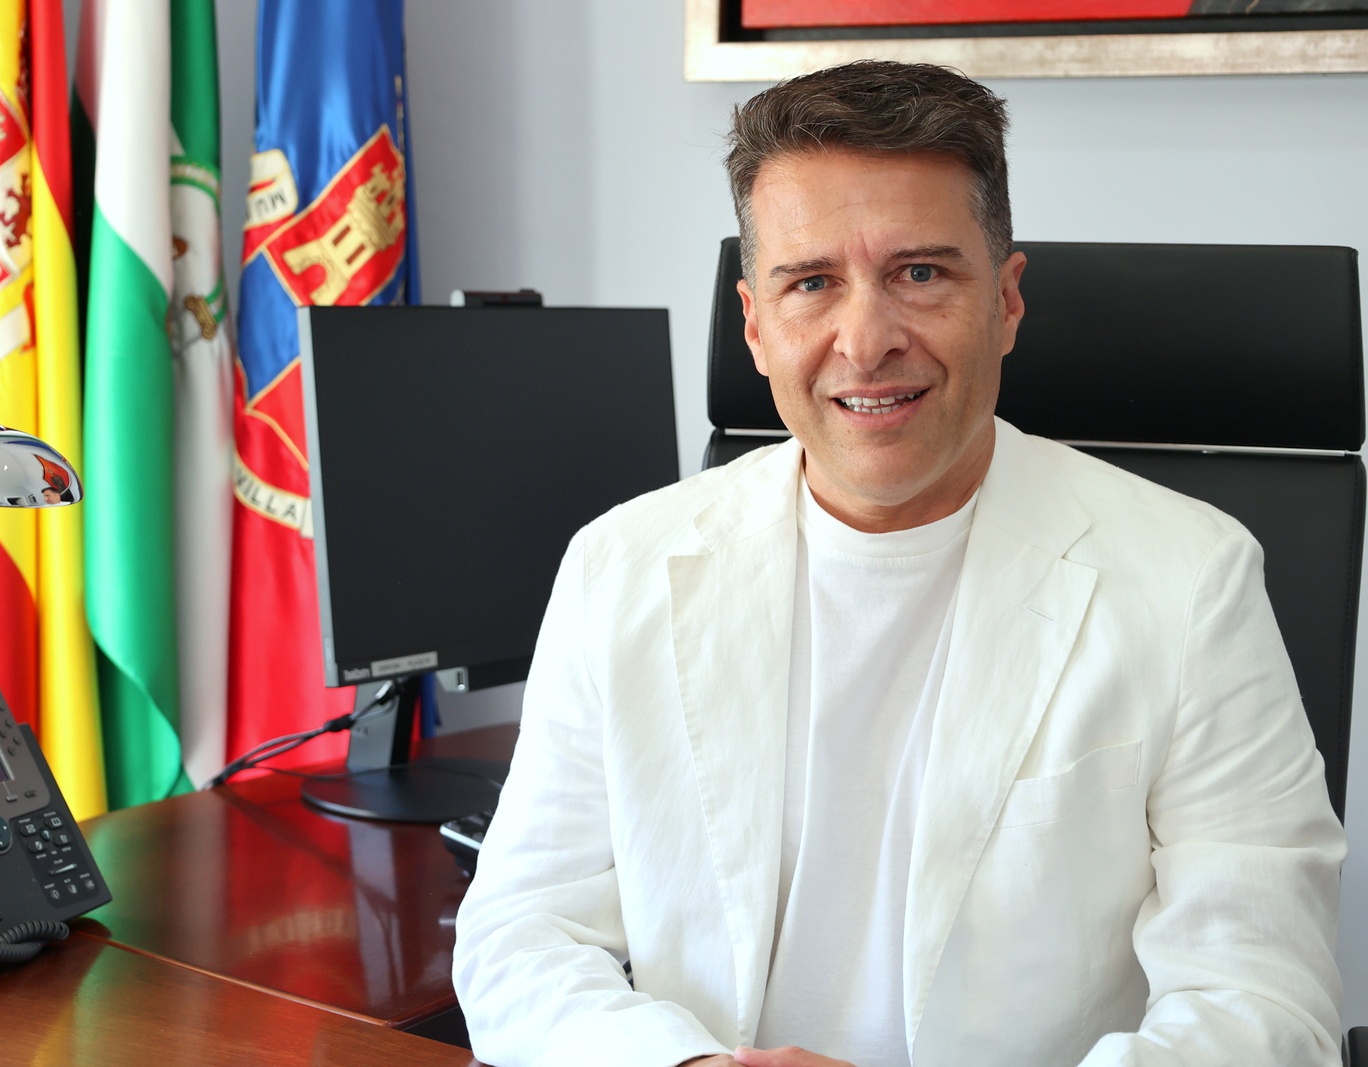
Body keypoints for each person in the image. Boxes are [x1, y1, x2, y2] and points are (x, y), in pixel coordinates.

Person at [452, 61, 1346, 1067]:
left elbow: (1264, 1006)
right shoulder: (618, 567)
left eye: (920, 273)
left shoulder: (1192, 582)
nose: (866, 340)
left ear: (1005, 299)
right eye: (811, 282)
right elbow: (518, 935)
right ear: (755, 324)